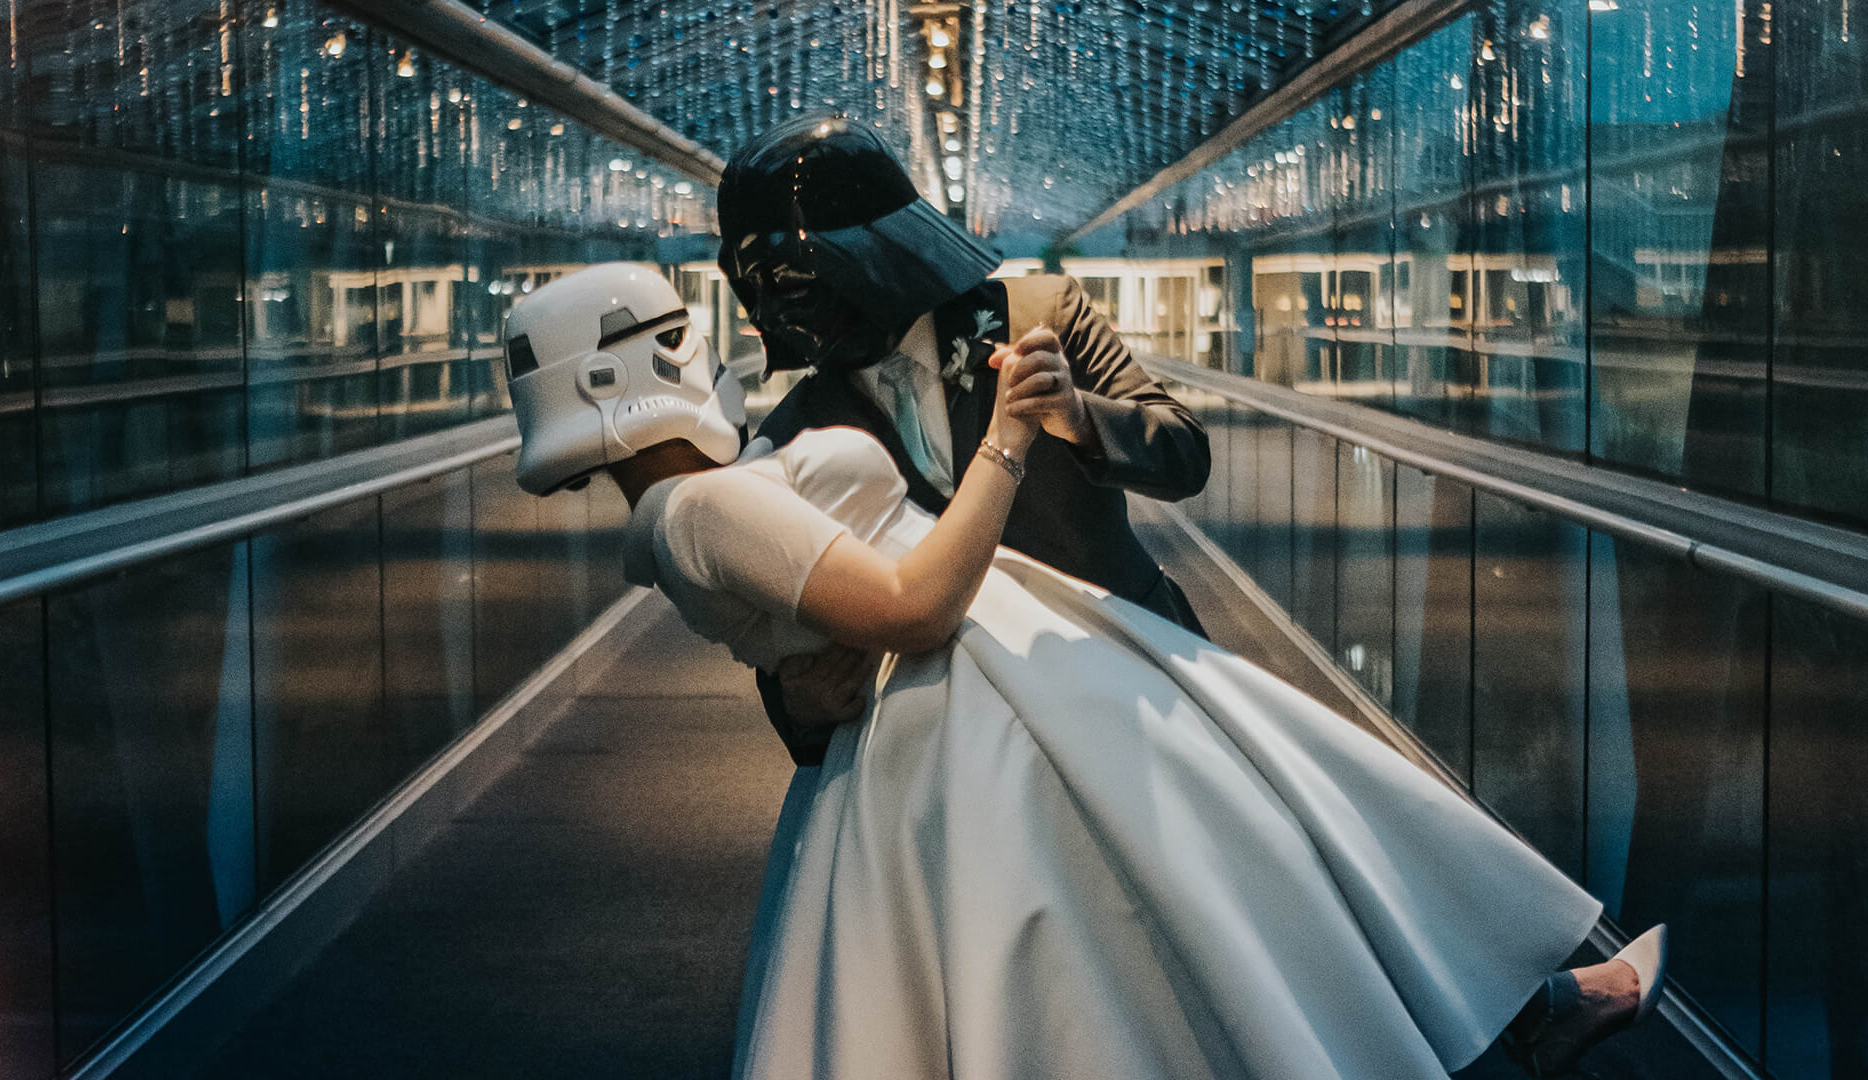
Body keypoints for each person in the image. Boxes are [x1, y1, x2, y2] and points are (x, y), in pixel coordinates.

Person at [501, 261, 1668, 1080]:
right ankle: (1533, 1010)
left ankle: (1533, 1009)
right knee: (1243, 871)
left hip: (1007, 697)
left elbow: (1169, 453)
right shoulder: (704, 502)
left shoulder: (708, 493)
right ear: (617, 374)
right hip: (984, 706)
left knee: (1196, 901)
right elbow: (906, 607)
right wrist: (1008, 439)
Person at [716, 114, 1212, 766]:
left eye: (803, 284)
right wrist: (798, 706)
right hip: (962, 744)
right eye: (770, 292)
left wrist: (1077, 415)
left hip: (1133, 683)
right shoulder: (795, 432)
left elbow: (1184, 455)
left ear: (878, 255)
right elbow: (794, 627)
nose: (786, 314)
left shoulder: (1044, 315)